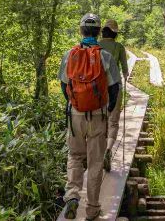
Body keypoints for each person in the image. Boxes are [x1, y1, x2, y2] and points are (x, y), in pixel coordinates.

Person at [59, 13, 121, 220]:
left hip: (75, 115)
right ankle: (93, 209)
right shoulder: (106, 57)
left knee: (75, 156)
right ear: (98, 32)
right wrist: (109, 108)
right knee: (95, 161)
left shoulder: (69, 55)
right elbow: (114, 88)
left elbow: (64, 85)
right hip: (98, 116)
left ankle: (72, 196)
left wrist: (75, 103)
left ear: (81, 30)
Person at [99, 19, 129, 172]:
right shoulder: (119, 47)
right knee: (114, 122)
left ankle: (99, 152)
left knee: (101, 121)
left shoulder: (95, 46)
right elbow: (125, 71)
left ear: (103, 31)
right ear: (115, 33)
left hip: (97, 90)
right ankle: (108, 150)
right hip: (115, 88)